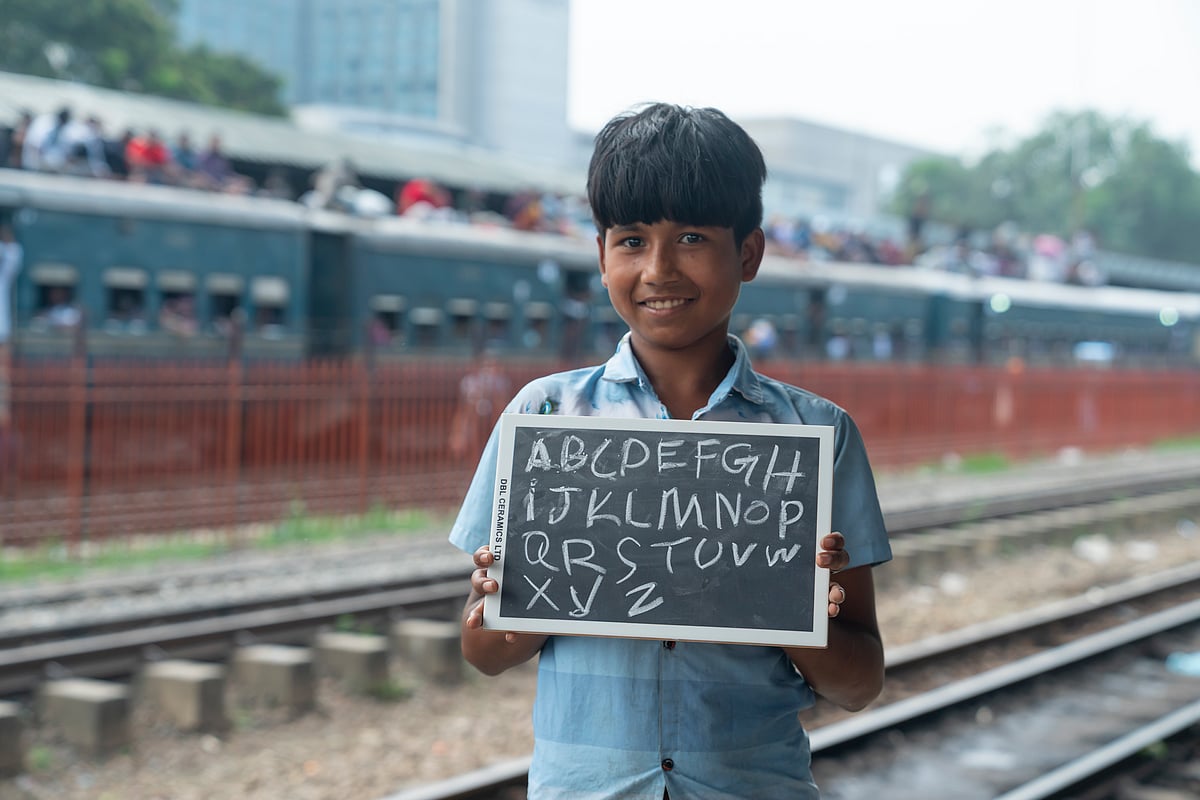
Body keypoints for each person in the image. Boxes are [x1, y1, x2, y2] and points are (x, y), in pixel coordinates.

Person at [451, 103, 890, 799]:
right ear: (600, 255)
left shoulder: (817, 438)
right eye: (630, 240)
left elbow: (859, 683)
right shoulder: (541, 417)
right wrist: (502, 601)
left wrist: (788, 599)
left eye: (690, 237)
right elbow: (483, 654)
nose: (658, 268)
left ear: (748, 253)